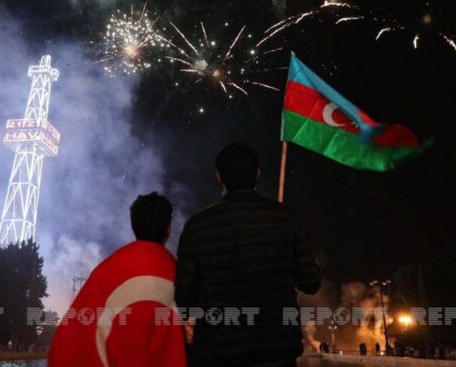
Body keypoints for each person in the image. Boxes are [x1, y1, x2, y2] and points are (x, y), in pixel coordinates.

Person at [175, 143, 321, 367]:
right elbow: (311, 282)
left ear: (219, 177)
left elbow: (184, 298)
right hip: (276, 350)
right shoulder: (285, 218)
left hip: (219, 351)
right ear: (258, 174)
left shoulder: (198, 226)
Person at [48, 192, 186, 367]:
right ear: (168, 229)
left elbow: (71, 338)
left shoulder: (105, 272)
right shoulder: (180, 274)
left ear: (133, 225)